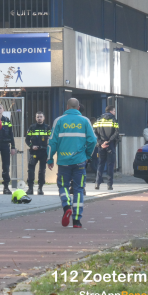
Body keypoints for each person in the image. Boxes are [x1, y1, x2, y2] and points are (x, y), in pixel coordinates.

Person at [47, 98, 96, 229]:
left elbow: (52, 142)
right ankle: (77, 221)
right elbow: (93, 140)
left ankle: (66, 205)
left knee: (63, 185)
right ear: (78, 107)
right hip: (79, 161)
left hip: (63, 161)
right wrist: (87, 155)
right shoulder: (85, 121)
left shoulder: (59, 121)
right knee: (79, 189)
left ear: (67, 107)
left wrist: (50, 158)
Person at [93, 105, 120, 190]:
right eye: (114, 111)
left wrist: (101, 142)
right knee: (110, 165)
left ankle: (97, 183)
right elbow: (116, 133)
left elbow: (94, 132)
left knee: (100, 164)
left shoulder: (99, 119)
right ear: (111, 111)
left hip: (101, 145)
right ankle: (109, 185)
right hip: (110, 145)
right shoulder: (114, 120)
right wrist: (109, 141)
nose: (115, 113)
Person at [25, 111, 51, 195]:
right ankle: (30, 188)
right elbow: (27, 139)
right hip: (34, 152)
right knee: (31, 170)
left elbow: (51, 139)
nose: (39, 118)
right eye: (38, 117)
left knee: (42, 171)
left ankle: (40, 188)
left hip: (44, 152)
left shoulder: (47, 127)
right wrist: (31, 146)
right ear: (35, 118)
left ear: (44, 118)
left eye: (41, 117)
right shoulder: (32, 127)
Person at [0, 103, 16, 194]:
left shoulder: (7, 120)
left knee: (6, 166)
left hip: (5, 145)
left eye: (0, 108)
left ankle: (6, 187)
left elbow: (11, 134)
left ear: (3, 110)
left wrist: (13, 147)